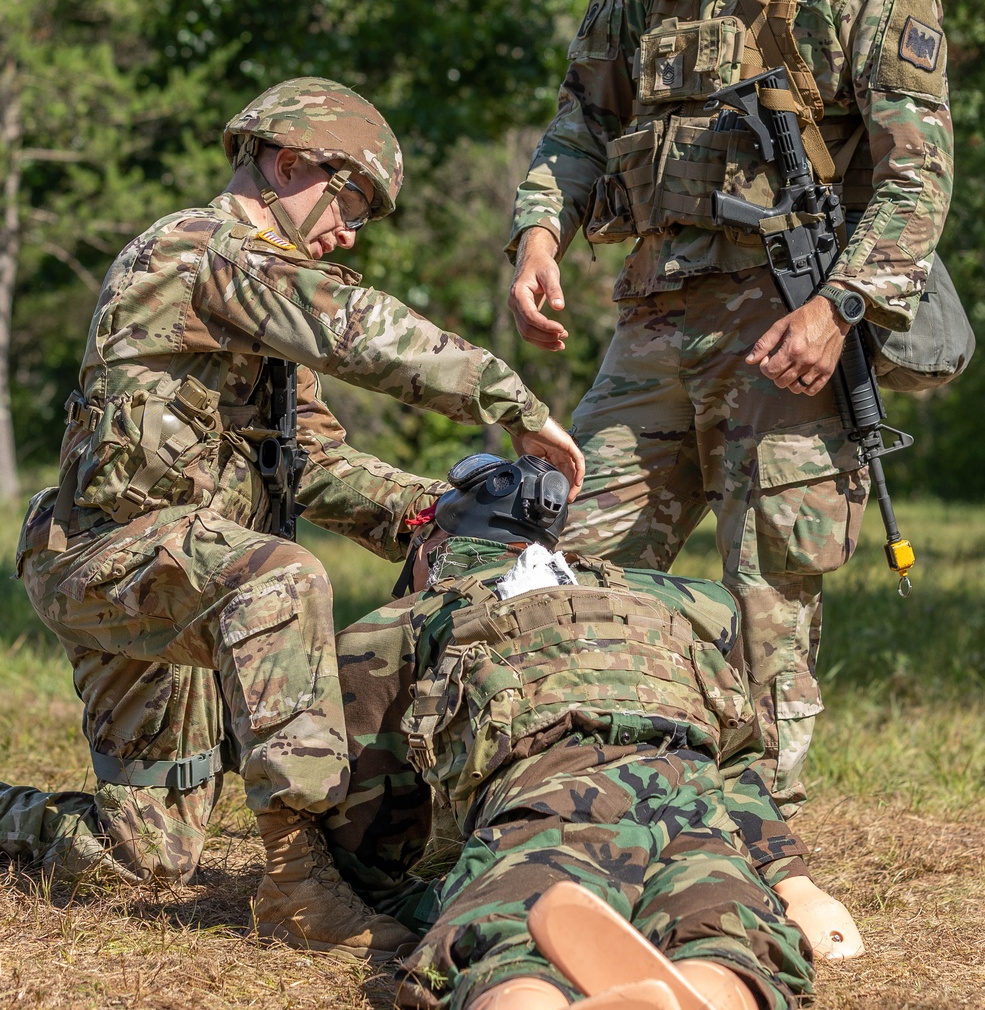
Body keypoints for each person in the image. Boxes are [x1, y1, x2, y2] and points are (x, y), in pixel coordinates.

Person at [14, 77, 583, 960]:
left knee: (142, 858)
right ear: (289, 165)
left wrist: (434, 512)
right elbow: (357, 326)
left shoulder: (263, 311)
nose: (350, 233)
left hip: (192, 580)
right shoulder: (200, 253)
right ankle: (296, 879)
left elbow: (311, 460)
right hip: (108, 560)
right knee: (283, 575)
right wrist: (508, 399)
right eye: (351, 201)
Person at [505, 0, 953, 809]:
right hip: (658, 319)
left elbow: (913, 179)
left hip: (790, 320)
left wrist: (840, 309)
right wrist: (537, 230)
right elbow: (581, 120)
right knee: (567, 553)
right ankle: (575, 780)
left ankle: (758, 827)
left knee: (769, 584)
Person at [325, 453, 861, 1010]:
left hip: (551, 797)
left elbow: (371, 835)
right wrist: (790, 880)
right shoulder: (688, 602)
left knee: (506, 930)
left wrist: (430, 899)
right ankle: (715, 1005)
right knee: (727, 923)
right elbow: (737, 760)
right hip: (688, 788)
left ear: (435, 544)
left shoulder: (397, 626)